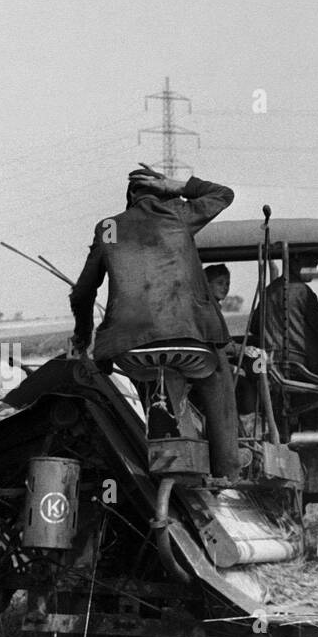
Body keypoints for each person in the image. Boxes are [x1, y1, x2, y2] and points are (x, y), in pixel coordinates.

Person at [69, 167, 240, 478]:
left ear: (129, 198)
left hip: (130, 349)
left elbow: (83, 292)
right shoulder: (178, 214)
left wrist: (82, 336)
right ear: (163, 194)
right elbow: (224, 194)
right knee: (218, 376)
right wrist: (176, 185)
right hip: (191, 345)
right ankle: (227, 472)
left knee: (148, 383)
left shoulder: (109, 227)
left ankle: (156, 451)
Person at [247, 252, 318, 378]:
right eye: (308, 264)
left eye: (315, 265)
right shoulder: (303, 292)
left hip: (269, 363)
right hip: (300, 365)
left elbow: (254, 327)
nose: (313, 270)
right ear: (293, 264)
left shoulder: (269, 290)